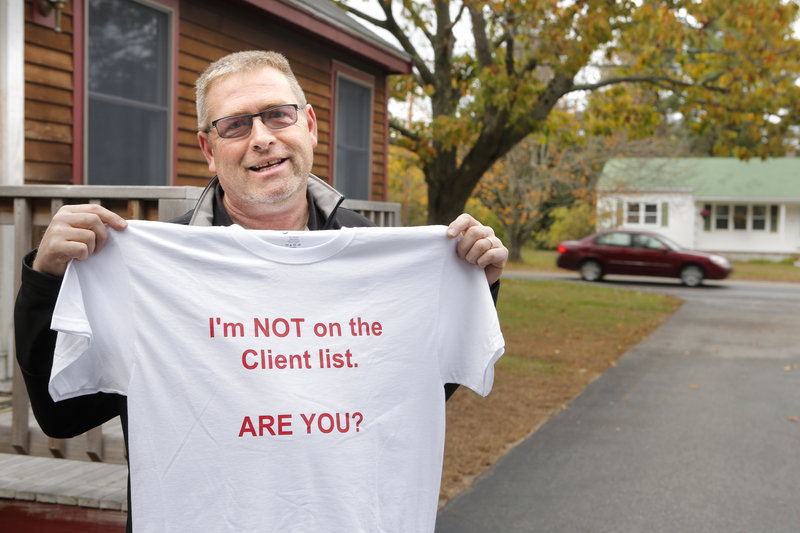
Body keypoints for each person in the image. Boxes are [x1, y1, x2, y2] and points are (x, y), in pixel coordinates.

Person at [15, 51, 508, 530]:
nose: (262, 138)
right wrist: (46, 279)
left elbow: (407, 392)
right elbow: (62, 415)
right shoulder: (152, 270)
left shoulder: (382, 261)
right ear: (209, 150)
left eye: (278, 115)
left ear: (309, 126)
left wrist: (474, 287)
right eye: (234, 125)